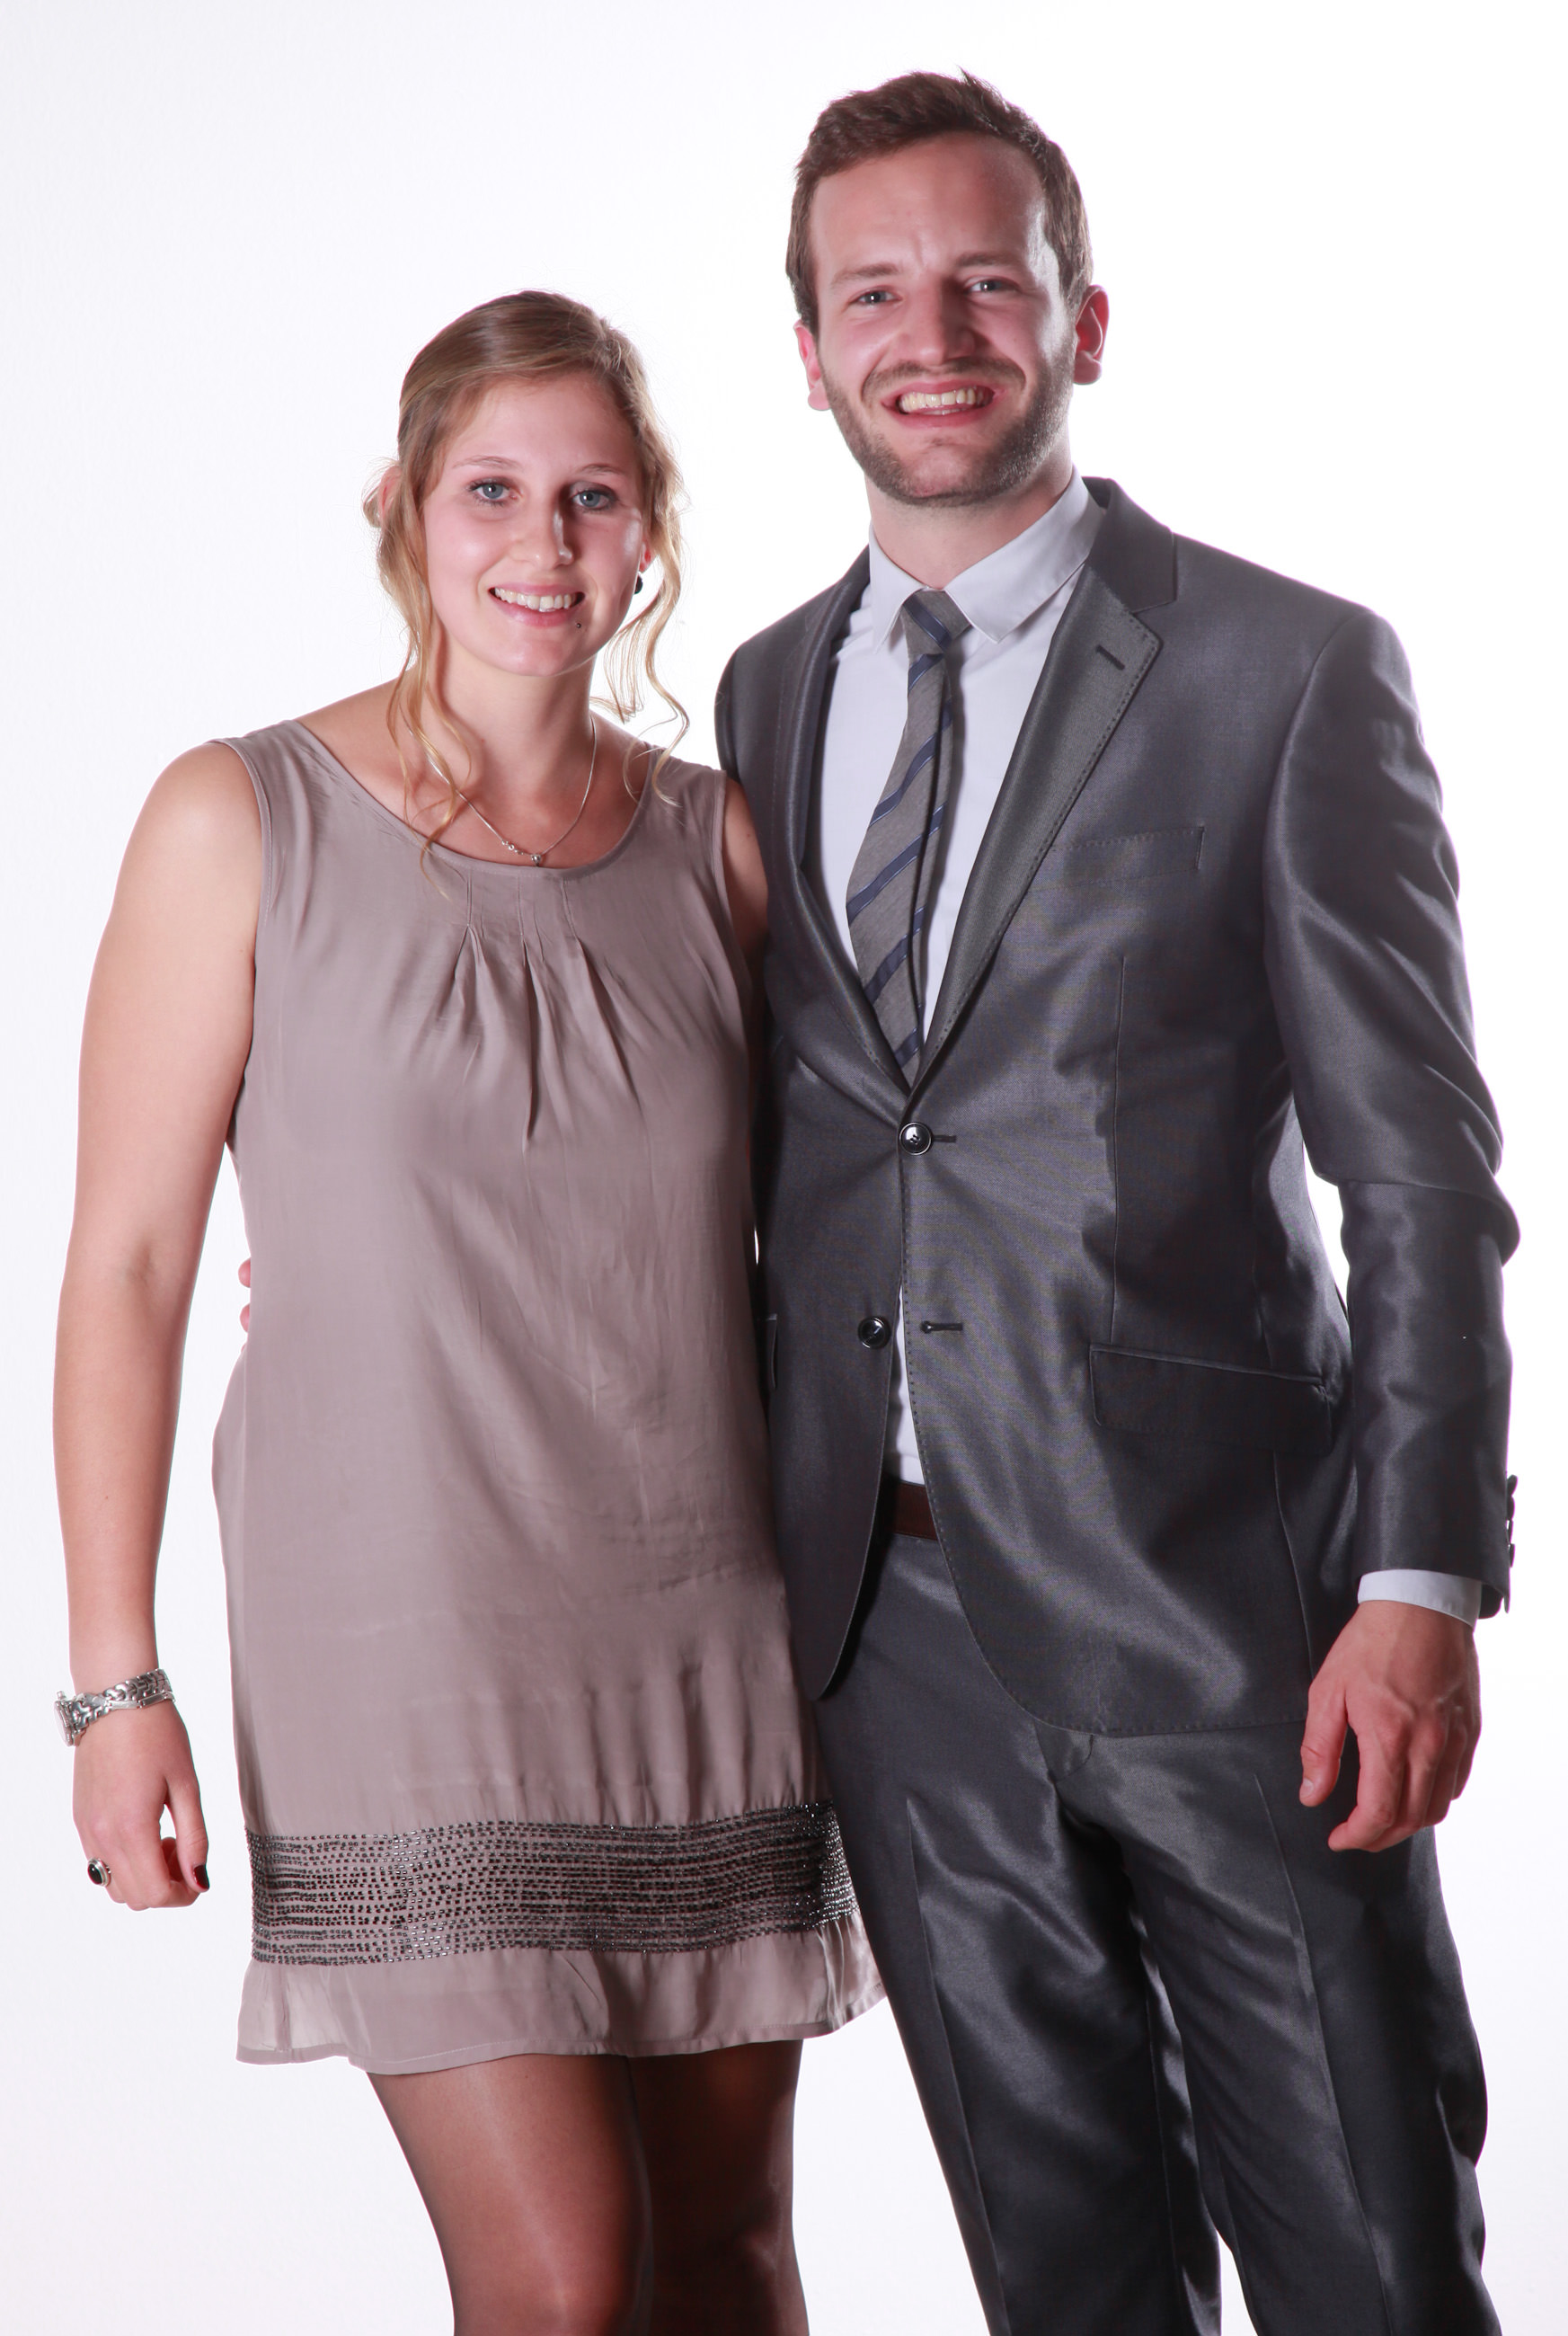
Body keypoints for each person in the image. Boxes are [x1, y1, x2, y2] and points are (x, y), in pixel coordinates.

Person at [718, 69, 1514, 2336]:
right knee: (1060, 2278)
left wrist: (1420, 1574)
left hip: (1236, 1615)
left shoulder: (1288, 669)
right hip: (891, 1635)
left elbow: (1418, 1170)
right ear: (807, 351)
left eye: (987, 283)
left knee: (1369, 2258)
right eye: (876, 294)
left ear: (1083, 318)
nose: (933, 336)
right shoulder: (764, 698)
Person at [54, 289, 878, 2336]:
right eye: (493, 490)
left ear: (649, 527)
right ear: (405, 510)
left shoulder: (720, 846)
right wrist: (111, 1683)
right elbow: (131, 1266)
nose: (543, 540)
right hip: (401, 1641)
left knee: (730, 2255)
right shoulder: (236, 817)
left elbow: (847, 1228)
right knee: (564, 2276)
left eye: (592, 495)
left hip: (700, 1625)